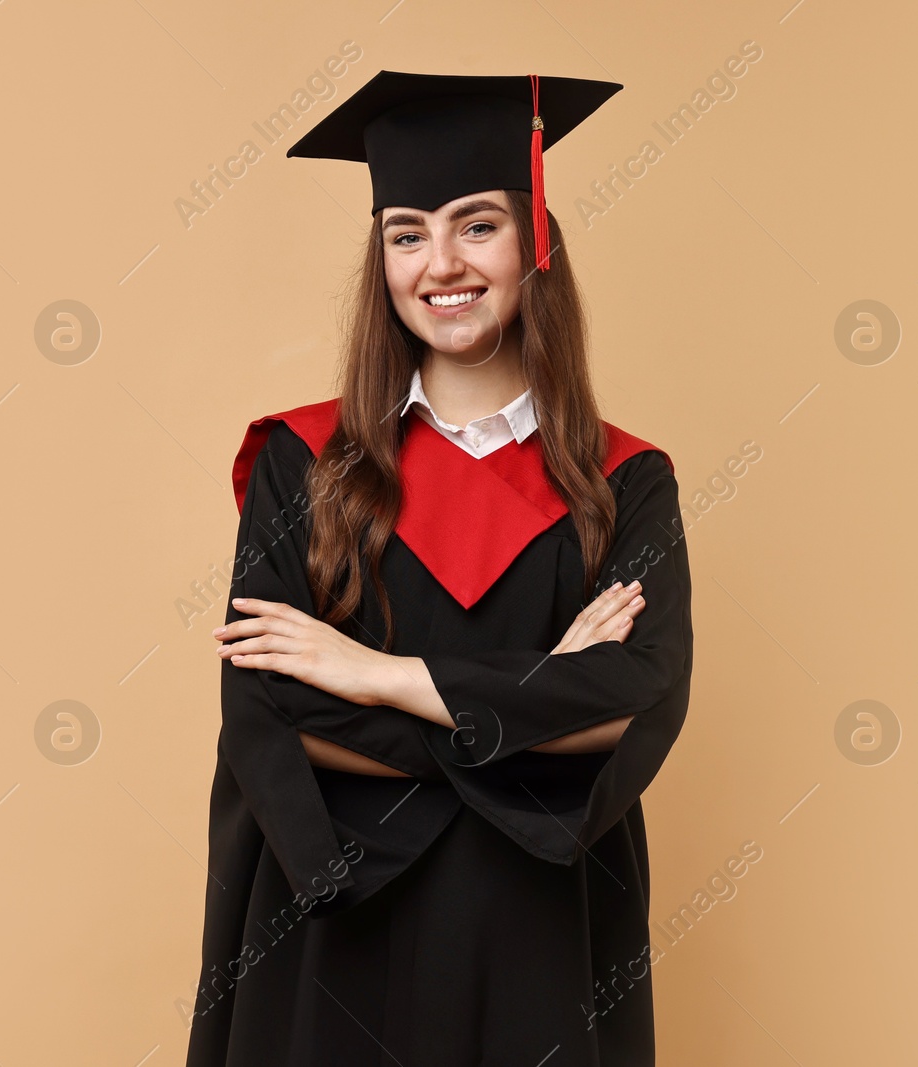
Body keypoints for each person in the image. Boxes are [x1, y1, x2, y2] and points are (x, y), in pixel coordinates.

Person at [184, 71, 693, 1066]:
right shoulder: (302, 463)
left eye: (477, 226)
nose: (441, 263)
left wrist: (371, 671)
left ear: (534, 241)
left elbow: (639, 699)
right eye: (407, 232)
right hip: (332, 915)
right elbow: (266, 712)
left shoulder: (624, 482)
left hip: (531, 921)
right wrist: (542, 702)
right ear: (381, 260)